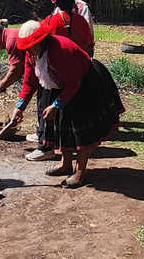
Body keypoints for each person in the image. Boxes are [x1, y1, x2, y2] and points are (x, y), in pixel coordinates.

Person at [10, 16, 124, 188]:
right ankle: (65, 164)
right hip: (60, 85)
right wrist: (20, 106)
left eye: (31, 46)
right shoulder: (31, 54)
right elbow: (29, 81)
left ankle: (80, 172)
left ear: (42, 40)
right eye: (26, 47)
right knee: (62, 129)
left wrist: (56, 105)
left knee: (80, 131)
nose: (29, 50)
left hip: (85, 83)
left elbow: (73, 82)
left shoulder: (61, 50)